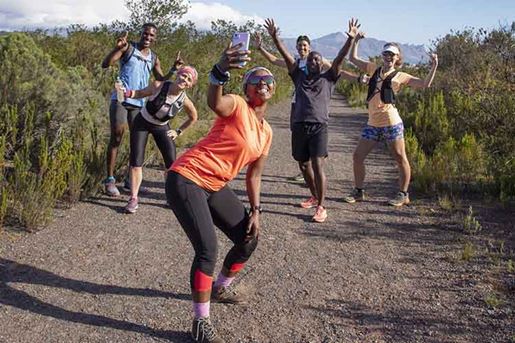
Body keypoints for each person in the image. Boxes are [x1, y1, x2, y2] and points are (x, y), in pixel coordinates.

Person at [165, 42, 274, 342]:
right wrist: (221, 70)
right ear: (247, 88)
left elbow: (255, 174)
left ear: (273, 89)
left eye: (268, 81)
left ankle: (220, 287)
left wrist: (257, 211)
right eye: (256, 80)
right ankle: (201, 322)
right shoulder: (237, 105)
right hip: (187, 177)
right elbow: (215, 102)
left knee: (249, 239)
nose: (262, 83)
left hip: (214, 185)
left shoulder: (266, 132)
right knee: (207, 250)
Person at [265, 18, 360, 222]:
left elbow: (340, 59)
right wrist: (275, 37)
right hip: (299, 126)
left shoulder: (329, 77)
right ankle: (314, 195)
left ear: (322, 63)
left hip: (319, 127)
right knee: (303, 164)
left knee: (318, 165)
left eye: (317, 59)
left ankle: (321, 206)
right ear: (307, 64)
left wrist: (350, 40)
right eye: (311, 60)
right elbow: (285, 56)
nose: (314, 61)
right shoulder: (299, 76)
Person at [344, 32, 438, 207]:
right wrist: (355, 41)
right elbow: (353, 58)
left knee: (400, 157)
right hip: (373, 122)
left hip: (391, 122)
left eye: (392, 55)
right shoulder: (373, 69)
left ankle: (403, 194)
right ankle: (358, 191)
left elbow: (425, 84)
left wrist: (434, 65)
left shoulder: (401, 76)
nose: (388, 57)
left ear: (397, 58)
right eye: (386, 53)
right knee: (358, 156)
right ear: (382, 56)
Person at [101, 23, 179, 197]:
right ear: (141, 34)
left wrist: (173, 69)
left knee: (137, 142)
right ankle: (110, 179)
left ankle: (130, 181)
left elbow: (161, 78)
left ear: (155, 38)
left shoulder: (153, 57)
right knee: (117, 136)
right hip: (121, 99)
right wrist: (117, 48)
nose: (148, 37)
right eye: (145, 34)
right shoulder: (128, 48)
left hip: (139, 103)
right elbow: (105, 64)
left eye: (151, 35)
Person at [254, 33, 331, 185]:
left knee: (316, 143)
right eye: (300, 45)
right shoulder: (295, 63)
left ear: (309, 48)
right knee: (299, 136)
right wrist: (260, 48)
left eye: (305, 46)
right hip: (297, 104)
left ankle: (317, 172)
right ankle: (305, 169)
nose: (302, 48)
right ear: (296, 47)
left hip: (315, 107)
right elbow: (274, 60)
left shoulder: (319, 62)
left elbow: (334, 71)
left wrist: (358, 78)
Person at [120, 65, 199, 213]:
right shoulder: (159, 85)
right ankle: (133, 198)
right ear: (178, 75)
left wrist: (178, 131)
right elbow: (141, 93)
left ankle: (170, 197)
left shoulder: (185, 100)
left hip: (161, 126)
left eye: (189, 79)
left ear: (190, 85)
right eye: (183, 76)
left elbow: (193, 117)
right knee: (136, 161)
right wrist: (127, 93)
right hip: (142, 122)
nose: (185, 80)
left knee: (172, 164)